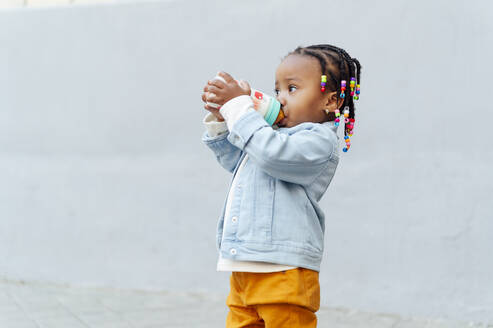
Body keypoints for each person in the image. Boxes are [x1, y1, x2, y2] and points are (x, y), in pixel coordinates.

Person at [201, 44, 362, 328]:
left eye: (293, 89)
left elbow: (272, 153)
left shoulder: (318, 142)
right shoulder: (268, 135)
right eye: (277, 91)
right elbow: (236, 161)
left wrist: (241, 108)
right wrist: (222, 118)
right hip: (245, 267)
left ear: (331, 102)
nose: (281, 99)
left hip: (284, 270)